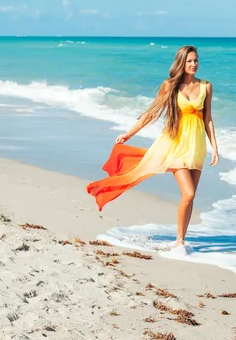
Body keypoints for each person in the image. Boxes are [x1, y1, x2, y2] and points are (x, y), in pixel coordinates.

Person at [86, 45, 219, 251]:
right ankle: (179, 241)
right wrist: (129, 133)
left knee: (189, 197)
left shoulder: (206, 86)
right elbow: (152, 112)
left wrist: (215, 148)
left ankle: (181, 240)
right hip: (175, 144)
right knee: (189, 193)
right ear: (181, 63)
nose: (194, 64)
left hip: (197, 146)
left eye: (196, 60)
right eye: (189, 61)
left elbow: (208, 119)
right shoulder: (170, 86)